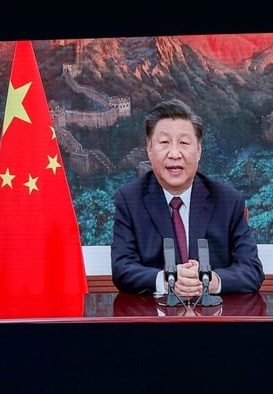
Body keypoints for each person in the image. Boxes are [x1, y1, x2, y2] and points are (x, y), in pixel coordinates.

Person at [110, 98, 264, 298]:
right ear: (149, 148)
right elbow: (122, 269)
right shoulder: (130, 200)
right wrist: (167, 280)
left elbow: (252, 270)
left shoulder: (228, 201)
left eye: (184, 143)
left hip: (214, 322)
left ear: (198, 150)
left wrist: (210, 280)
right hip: (154, 322)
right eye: (164, 142)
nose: (174, 154)